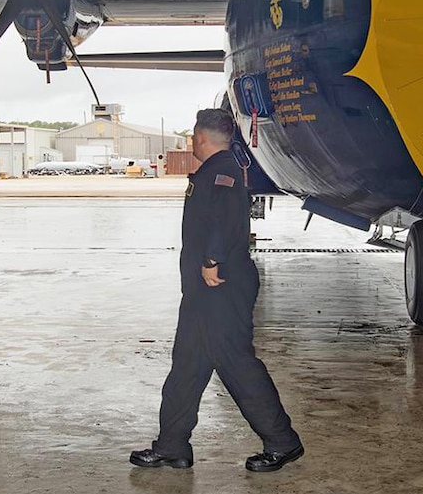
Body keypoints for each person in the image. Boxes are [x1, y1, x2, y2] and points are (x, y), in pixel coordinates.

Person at [130, 108, 304, 473]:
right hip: (203, 290)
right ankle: (172, 446)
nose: (192, 142)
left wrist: (212, 261)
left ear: (202, 138)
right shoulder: (216, 169)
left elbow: (225, 222)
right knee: (187, 367)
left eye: (193, 136)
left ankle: (283, 442)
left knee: (237, 365)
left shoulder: (222, 170)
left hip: (221, 284)